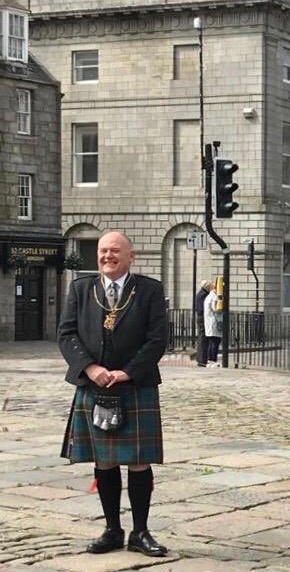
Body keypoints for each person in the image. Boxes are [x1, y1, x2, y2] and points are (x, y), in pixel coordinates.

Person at [58, 231, 168, 557]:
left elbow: (157, 340)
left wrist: (128, 371)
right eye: (103, 250)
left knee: (138, 461)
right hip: (94, 385)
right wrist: (90, 368)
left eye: (115, 251)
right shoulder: (81, 289)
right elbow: (66, 334)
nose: (108, 255)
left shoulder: (149, 289)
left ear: (130, 256)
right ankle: (112, 530)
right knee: (104, 462)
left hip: (136, 385)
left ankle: (141, 532)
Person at [203, 283, 222, 367]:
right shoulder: (214, 297)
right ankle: (213, 360)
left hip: (209, 322)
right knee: (215, 342)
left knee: (211, 342)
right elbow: (216, 309)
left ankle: (210, 360)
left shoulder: (208, 297)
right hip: (214, 322)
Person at [194, 281, 211, 368]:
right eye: (210, 286)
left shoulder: (202, 293)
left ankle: (202, 359)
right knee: (203, 338)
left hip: (201, 318)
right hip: (202, 318)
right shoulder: (203, 295)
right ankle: (201, 359)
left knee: (203, 338)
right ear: (206, 287)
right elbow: (201, 309)